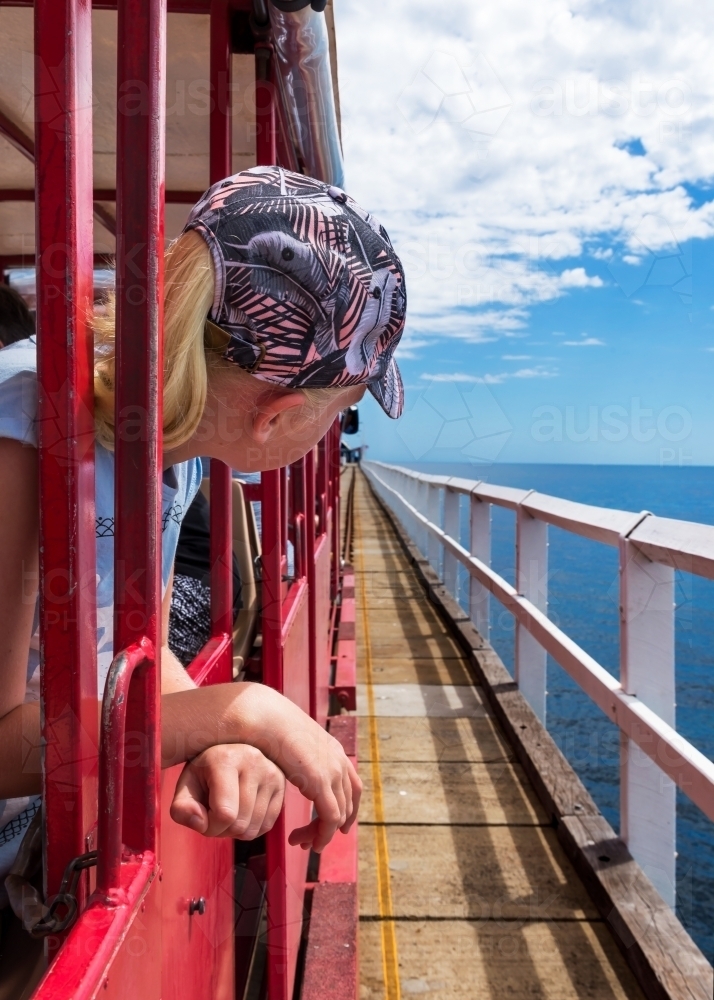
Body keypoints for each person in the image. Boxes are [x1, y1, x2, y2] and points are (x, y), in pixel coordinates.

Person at [0, 166, 406, 883]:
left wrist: (204, 727)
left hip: (35, 847)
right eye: (338, 414)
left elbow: (139, 655)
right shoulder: (25, 434)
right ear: (278, 416)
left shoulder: (168, 450)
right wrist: (237, 711)